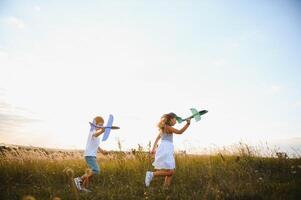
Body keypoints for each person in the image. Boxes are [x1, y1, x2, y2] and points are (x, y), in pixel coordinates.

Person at [145, 112, 191, 188]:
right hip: (166, 148)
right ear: (170, 119)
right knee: (170, 171)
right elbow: (179, 132)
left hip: (164, 148)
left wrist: (153, 148)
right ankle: (151, 174)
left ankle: (165, 188)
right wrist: (188, 124)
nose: (176, 121)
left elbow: (157, 138)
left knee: (170, 171)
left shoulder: (163, 128)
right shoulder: (168, 127)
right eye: (175, 119)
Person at [74, 116, 108, 192]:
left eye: (102, 125)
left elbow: (96, 145)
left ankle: (83, 188)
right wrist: (102, 131)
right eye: (99, 124)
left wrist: (102, 151)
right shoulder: (92, 132)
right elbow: (95, 135)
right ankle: (78, 179)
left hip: (92, 156)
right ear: (95, 123)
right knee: (96, 170)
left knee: (90, 173)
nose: (101, 126)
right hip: (89, 155)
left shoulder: (97, 135)